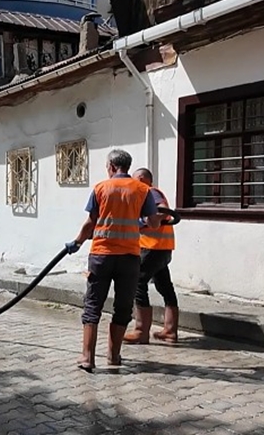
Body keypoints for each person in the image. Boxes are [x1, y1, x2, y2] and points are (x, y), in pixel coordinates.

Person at [65, 149, 163, 372]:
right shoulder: (142, 190)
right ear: (127, 167)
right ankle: (114, 356)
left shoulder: (101, 188)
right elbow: (154, 223)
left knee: (93, 305)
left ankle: (87, 358)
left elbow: (91, 223)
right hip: (129, 258)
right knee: (122, 307)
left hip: (102, 256)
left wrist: (77, 242)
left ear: (110, 166)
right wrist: (143, 221)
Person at [123, 168, 178, 344]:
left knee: (138, 282)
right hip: (161, 248)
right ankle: (170, 331)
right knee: (165, 287)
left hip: (152, 248)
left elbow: (163, 212)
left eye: (134, 180)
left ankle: (141, 331)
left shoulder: (150, 192)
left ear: (141, 178)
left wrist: (142, 222)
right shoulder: (148, 193)